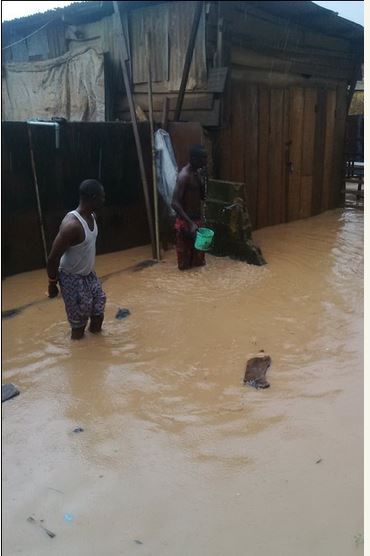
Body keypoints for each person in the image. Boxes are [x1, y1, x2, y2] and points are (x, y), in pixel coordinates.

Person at [47, 179, 106, 340]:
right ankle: (79, 354)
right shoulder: (72, 226)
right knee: (79, 324)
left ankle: (96, 350)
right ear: (93, 197)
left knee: (98, 311)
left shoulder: (92, 216)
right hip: (72, 278)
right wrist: (52, 283)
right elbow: (52, 258)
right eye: (102, 197)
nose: (104, 200)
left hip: (89, 275)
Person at [171, 145, 208, 270]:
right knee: (184, 265)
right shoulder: (184, 176)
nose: (205, 161)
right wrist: (190, 223)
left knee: (199, 262)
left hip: (197, 222)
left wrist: (203, 180)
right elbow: (174, 203)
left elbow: (203, 197)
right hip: (185, 223)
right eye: (203, 158)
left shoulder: (197, 174)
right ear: (194, 158)